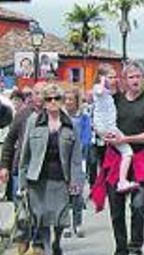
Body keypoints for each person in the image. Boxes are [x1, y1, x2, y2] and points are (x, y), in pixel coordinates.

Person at [92, 61, 144, 255]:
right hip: (115, 158)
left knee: (138, 206)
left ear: (143, 79)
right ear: (124, 80)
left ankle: (135, 245)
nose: (135, 80)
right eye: (131, 77)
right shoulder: (115, 99)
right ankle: (121, 248)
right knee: (116, 208)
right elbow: (100, 118)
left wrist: (126, 139)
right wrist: (102, 133)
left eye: (138, 76)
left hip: (139, 158)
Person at [18, 83, 84, 255]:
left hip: (61, 178)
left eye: (57, 98)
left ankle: (57, 241)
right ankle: (47, 250)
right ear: (44, 102)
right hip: (38, 178)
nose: (53, 102)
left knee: (61, 220)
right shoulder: (34, 121)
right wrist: (22, 181)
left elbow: (76, 157)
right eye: (49, 99)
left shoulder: (70, 124)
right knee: (42, 220)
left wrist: (76, 181)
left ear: (62, 101)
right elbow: (25, 153)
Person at [1, 83, 44, 255]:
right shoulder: (22, 114)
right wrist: (4, 166)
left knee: (40, 213)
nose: (41, 97)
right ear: (32, 96)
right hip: (21, 169)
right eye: (37, 93)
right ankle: (22, 247)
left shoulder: (53, 115)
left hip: (44, 172)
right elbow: (9, 141)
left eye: (44, 93)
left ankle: (38, 246)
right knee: (22, 214)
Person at [91, 64, 137, 193]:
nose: (113, 79)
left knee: (125, 152)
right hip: (106, 126)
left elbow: (118, 92)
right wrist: (102, 81)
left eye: (114, 77)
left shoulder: (108, 93)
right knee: (127, 152)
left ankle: (122, 181)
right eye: (110, 77)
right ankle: (122, 181)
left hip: (107, 126)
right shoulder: (98, 89)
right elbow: (99, 91)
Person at [62, 88, 90, 239]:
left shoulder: (83, 118)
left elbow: (86, 139)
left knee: (77, 193)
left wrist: (82, 156)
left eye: (71, 99)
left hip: (79, 160)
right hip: (63, 160)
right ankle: (65, 224)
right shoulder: (60, 117)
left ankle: (77, 223)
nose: (68, 102)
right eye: (65, 99)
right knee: (64, 194)